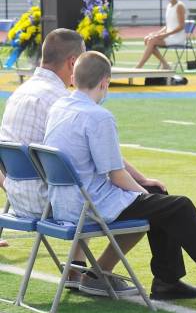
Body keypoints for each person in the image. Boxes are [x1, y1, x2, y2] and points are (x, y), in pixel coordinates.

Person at [44, 50, 196, 302]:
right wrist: (143, 193)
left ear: (74, 78)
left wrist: (147, 188)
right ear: (105, 82)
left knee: (160, 198)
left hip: (63, 202)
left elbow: (110, 163)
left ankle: (167, 281)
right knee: (180, 206)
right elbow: (116, 175)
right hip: (90, 206)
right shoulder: (98, 116)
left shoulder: (59, 107)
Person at [0, 29, 142, 295]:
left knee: (74, 173)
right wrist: (142, 182)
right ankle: (99, 272)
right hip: (51, 202)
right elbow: (98, 156)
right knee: (129, 196)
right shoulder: (60, 100)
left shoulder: (20, 91)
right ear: (73, 63)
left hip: (16, 198)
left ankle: (76, 267)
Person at [136, 0, 186, 70]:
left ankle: (139, 66)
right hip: (169, 36)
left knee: (152, 41)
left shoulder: (179, 6)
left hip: (177, 37)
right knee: (147, 39)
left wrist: (164, 35)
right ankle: (165, 64)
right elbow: (168, 25)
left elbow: (181, 26)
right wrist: (157, 33)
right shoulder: (169, 6)